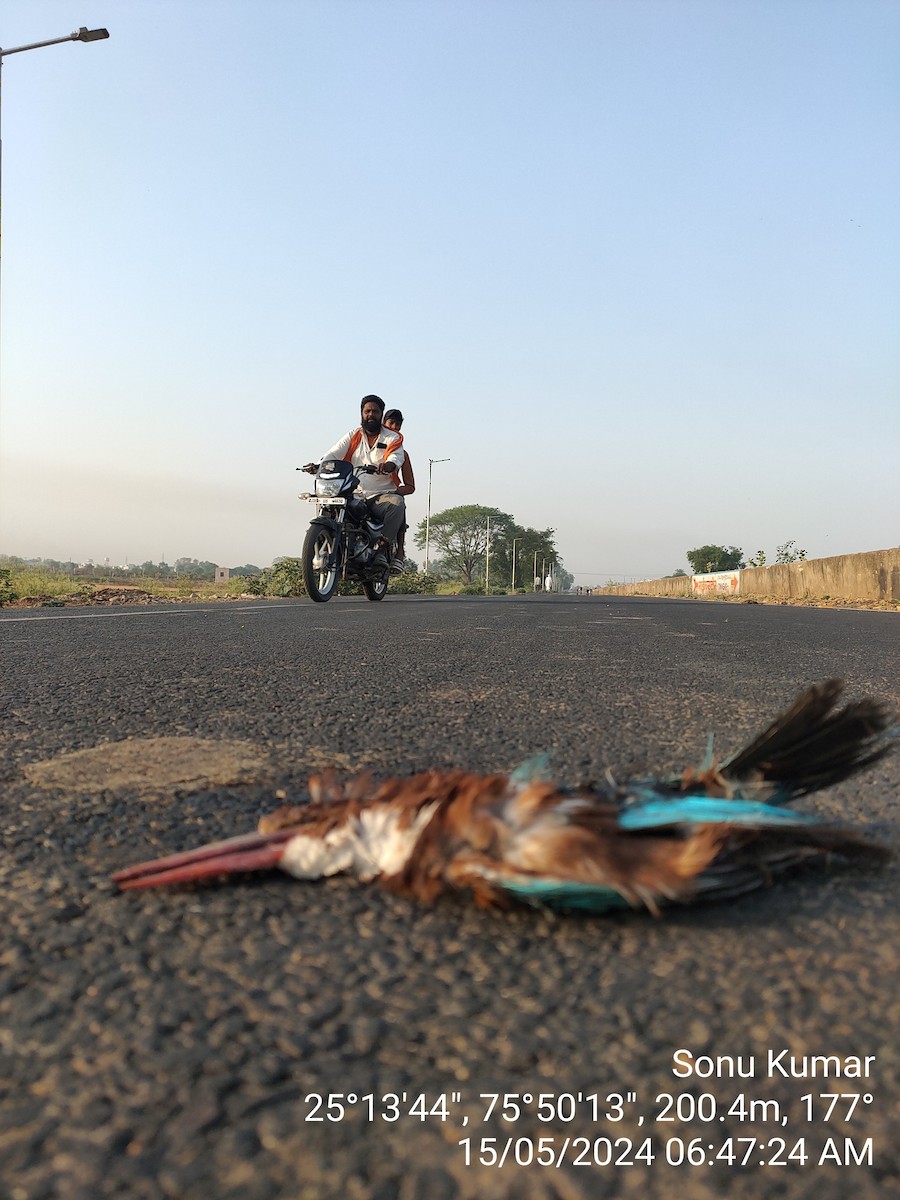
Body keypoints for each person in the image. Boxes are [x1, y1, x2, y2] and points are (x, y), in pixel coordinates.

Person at [302, 395, 406, 569]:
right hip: (354, 492)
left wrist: (388, 465)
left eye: (375, 411)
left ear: (381, 415)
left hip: (380, 496)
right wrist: (319, 465)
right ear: (361, 413)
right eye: (367, 411)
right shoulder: (354, 435)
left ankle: (381, 550)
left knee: (397, 504)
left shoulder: (392, 438)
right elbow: (333, 454)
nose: (370, 414)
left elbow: (396, 457)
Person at [383, 409, 415, 564]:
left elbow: (410, 486)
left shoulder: (402, 454)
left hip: (386, 495)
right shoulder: (363, 445)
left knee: (398, 503)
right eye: (391, 423)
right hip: (361, 491)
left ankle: (400, 551)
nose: (394, 427)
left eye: (398, 424)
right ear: (383, 424)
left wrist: (395, 491)